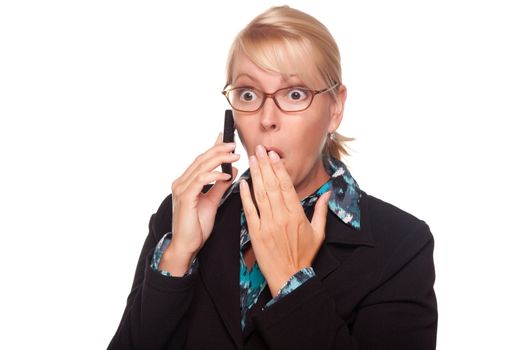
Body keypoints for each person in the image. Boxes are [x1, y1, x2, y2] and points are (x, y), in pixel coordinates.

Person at [107, 5, 437, 350]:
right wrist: (178, 256)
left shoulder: (400, 245)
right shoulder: (181, 216)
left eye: (295, 94)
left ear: (335, 109)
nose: (267, 119)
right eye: (248, 94)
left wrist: (292, 282)